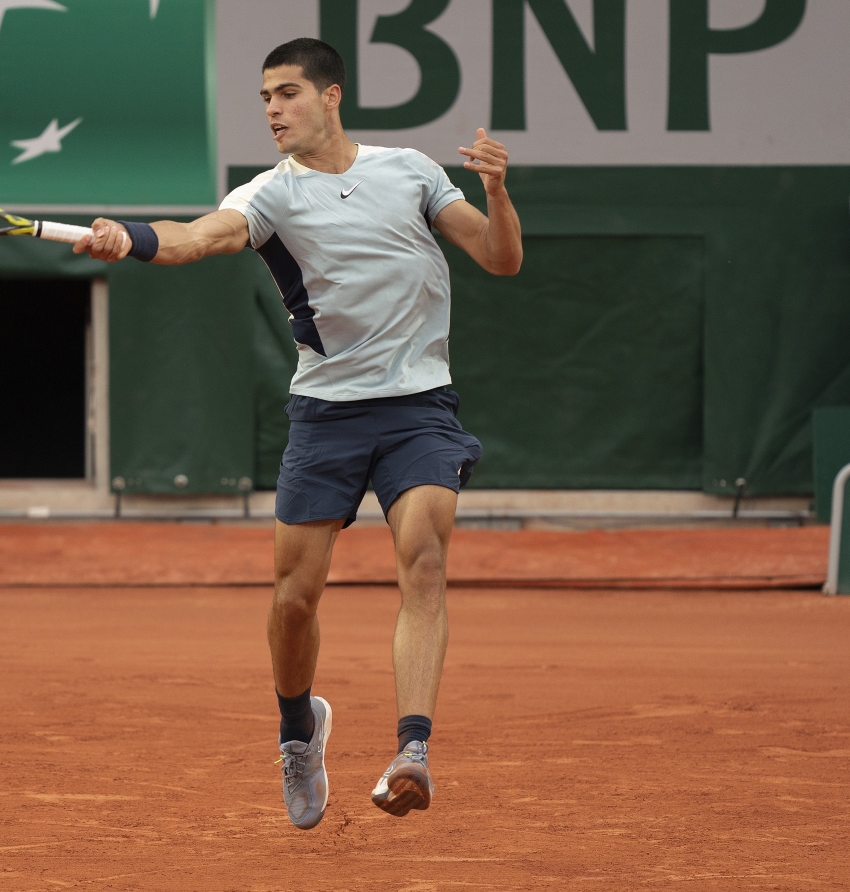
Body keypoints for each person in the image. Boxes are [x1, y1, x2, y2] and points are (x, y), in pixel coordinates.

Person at [76, 37, 522, 829]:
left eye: (286, 94)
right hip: (326, 414)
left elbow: (499, 259)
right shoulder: (271, 195)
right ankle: (297, 730)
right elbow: (199, 237)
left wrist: (496, 193)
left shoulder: (412, 171)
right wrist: (133, 238)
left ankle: (412, 750)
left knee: (423, 552)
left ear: (331, 96)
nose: (273, 110)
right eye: (265, 99)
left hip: (420, 406)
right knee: (293, 601)